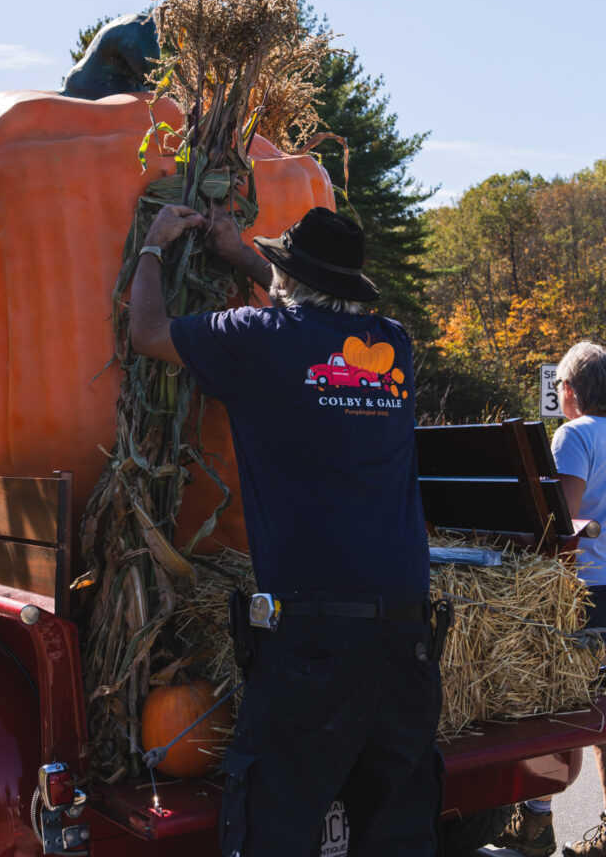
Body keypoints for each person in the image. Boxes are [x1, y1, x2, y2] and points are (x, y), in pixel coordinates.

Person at [130, 203, 442, 857]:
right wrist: (245, 256)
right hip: (407, 639)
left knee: (274, 829)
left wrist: (154, 246)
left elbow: (148, 332)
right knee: (398, 838)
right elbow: (312, 322)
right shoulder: (394, 346)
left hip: (313, 645)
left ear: (286, 277)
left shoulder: (259, 338)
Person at [494, 341, 606, 857]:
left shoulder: (575, 434)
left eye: (560, 385)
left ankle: (535, 822)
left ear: (571, 390)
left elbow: (561, 524)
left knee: (553, 705)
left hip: (583, 593)